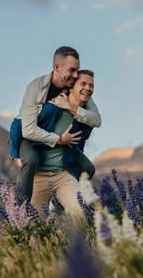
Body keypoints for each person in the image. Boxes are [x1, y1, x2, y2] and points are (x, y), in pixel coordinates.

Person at [14, 46, 101, 201]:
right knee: (31, 160)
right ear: (57, 68)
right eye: (72, 70)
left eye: (77, 71)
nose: (75, 75)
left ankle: (63, 199)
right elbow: (23, 128)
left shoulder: (75, 87)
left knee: (87, 168)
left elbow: (96, 119)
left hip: (60, 143)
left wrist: (69, 106)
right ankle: (20, 206)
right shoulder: (37, 87)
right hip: (29, 138)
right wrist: (59, 140)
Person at [9, 69, 96, 217]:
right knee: (34, 227)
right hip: (39, 175)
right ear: (71, 87)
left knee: (80, 213)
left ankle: (61, 203)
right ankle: (19, 203)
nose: (88, 88)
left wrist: (73, 161)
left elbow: (81, 142)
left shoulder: (86, 119)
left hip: (62, 175)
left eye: (91, 85)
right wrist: (15, 156)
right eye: (83, 84)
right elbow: (17, 125)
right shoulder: (50, 107)